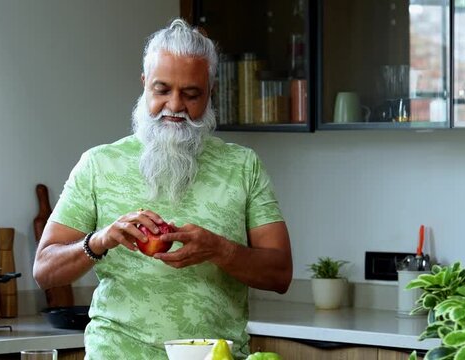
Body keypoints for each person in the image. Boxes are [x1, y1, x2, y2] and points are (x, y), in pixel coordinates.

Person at [33, 18, 293, 360]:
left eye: (191, 94)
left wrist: (219, 249)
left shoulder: (243, 166)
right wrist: (101, 240)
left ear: (210, 92)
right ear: (144, 85)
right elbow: (44, 271)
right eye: (162, 89)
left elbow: (280, 274)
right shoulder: (98, 165)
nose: (174, 106)